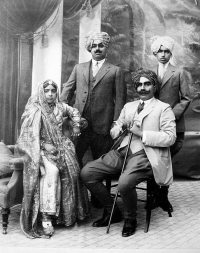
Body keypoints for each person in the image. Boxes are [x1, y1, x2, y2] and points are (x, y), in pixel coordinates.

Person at [81, 68, 176, 237]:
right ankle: (112, 211)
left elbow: (170, 138)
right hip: (122, 151)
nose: (142, 88)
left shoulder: (163, 108)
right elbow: (116, 127)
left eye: (147, 84)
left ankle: (130, 218)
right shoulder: (129, 106)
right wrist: (116, 128)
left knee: (124, 183)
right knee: (87, 173)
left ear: (154, 86)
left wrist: (142, 134)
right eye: (139, 85)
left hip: (145, 154)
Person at [14, 80, 90, 239]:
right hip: (39, 150)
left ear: (56, 93)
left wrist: (76, 124)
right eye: (47, 90)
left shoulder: (61, 107)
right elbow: (27, 136)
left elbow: (75, 112)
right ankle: (46, 217)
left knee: (74, 173)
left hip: (63, 146)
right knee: (52, 172)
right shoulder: (34, 110)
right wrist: (43, 145)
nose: (50, 94)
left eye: (53, 91)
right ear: (42, 92)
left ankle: (66, 215)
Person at [60, 31, 126, 207]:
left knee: (101, 162)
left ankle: (101, 197)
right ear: (90, 48)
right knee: (74, 158)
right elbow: (67, 90)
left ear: (106, 48)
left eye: (101, 45)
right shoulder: (79, 68)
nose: (97, 48)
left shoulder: (115, 71)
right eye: (94, 45)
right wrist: (59, 110)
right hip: (79, 125)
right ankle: (76, 196)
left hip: (103, 125)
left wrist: (116, 123)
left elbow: (120, 100)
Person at [150, 35, 191, 212]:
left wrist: (170, 116)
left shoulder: (179, 72)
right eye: (160, 51)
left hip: (172, 124)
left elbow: (186, 98)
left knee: (166, 161)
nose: (163, 54)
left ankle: (163, 197)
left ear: (170, 53)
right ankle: (152, 197)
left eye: (166, 51)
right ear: (154, 53)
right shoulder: (148, 73)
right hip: (151, 125)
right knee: (151, 160)